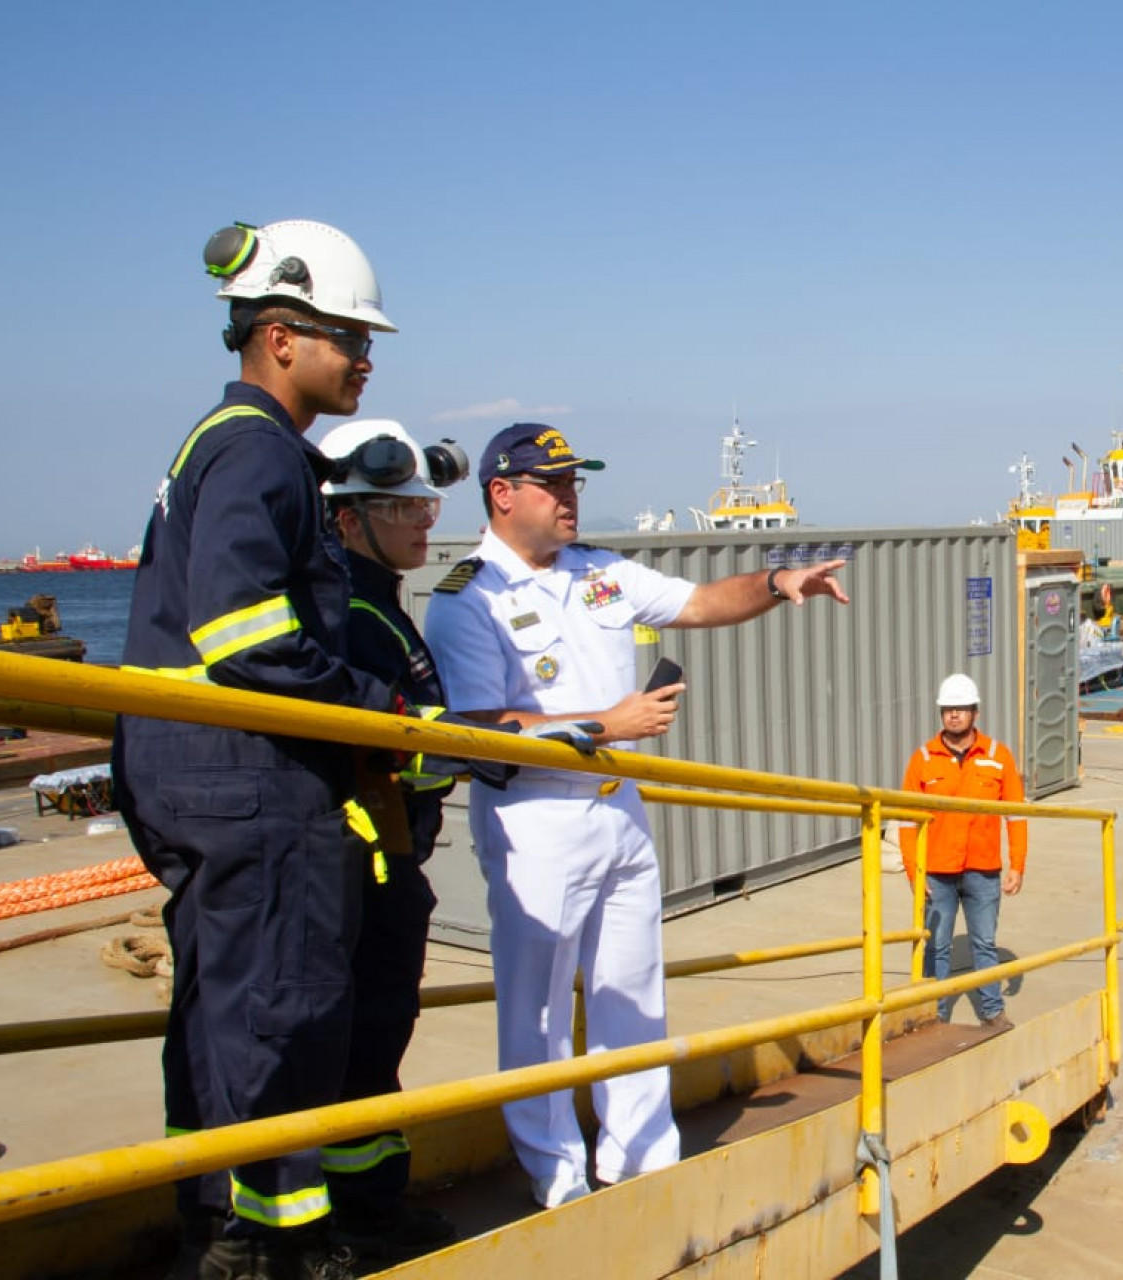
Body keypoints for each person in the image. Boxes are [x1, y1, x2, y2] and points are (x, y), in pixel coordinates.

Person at [422, 422, 849, 1209]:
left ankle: (641, 1159)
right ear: (502, 494)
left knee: (632, 992)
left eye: (575, 482)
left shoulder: (600, 573)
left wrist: (780, 584)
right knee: (539, 1010)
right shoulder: (468, 600)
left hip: (620, 813)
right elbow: (477, 730)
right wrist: (601, 726)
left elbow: (699, 601)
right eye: (555, 485)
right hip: (535, 821)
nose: (571, 497)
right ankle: (558, 1180)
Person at [114, 220, 398, 1280]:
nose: (365, 359)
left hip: (194, 770)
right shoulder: (259, 451)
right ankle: (280, 1246)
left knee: (221, 1006)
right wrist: (373, 711)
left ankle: (218, 1229)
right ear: (279, 335)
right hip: (248, 775)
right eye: (348, 338)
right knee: (282, 1008)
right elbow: (244, 631)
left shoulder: (224, 445)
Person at [311, 419, 483, 1264]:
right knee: (357, 1042)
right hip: (365, 864)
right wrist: (473, 744)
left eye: (425, 501)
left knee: (379, 1041)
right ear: (347, 517)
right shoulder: (348, 615)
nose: (425, 519)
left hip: (392, 859)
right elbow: (385, 741)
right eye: (403, 505)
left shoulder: (379, 605)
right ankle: (350, 1223)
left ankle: (376, 1207)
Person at [896, 673, 1028, 1028]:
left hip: (983, 870)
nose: (954, 715)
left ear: (975, 713)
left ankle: (992, 1010)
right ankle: (931, 1016)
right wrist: (914, 870)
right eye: (948, 709)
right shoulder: (923, 759)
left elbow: (1016, 815)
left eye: (961, 709)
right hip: (937, 872)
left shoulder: (998, 756)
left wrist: (1017, 863)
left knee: (984, 942)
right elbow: (907, 823)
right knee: (935, 946)